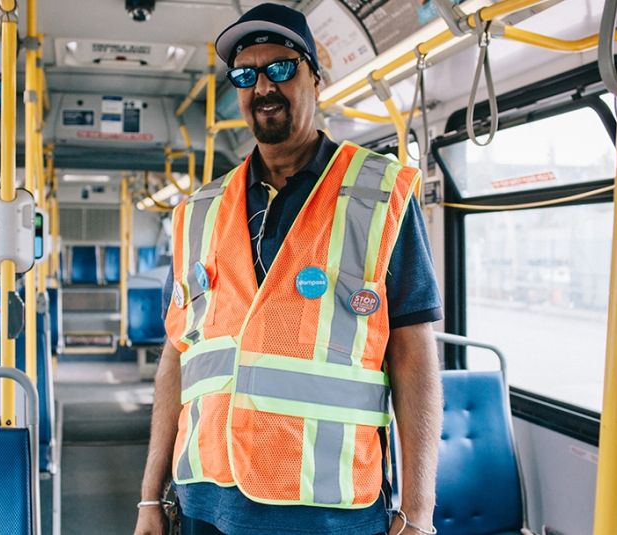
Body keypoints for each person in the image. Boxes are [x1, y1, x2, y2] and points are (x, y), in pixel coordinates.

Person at [134, 4, 443, 534]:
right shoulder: (198, 211)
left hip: (329, 508)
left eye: (281, 68)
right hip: (206, 499)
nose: (263, 87)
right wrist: (148, 500)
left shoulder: (379, 195)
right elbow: (178, 359)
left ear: (315, 80)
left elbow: (413, 357)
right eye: (246, 75)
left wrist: (418, 514)